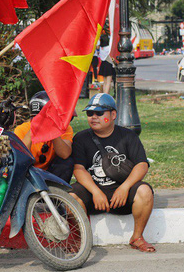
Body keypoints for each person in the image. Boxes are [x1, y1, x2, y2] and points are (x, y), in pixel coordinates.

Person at [70, 93, 155, 252]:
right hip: (93, 196)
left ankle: (137, 237)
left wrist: (124, 188)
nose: (93, 117)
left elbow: (142, 164)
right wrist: (95, 192)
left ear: (113, 114)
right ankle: (79, 239)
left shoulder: (128, 136)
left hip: (121, 196)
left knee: (144, 191)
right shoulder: (81, 138)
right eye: (90, 113)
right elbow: (79, 169)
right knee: (71, 196)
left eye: (99, 113)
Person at [14, 91, 75, 183]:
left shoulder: (64, 129)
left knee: (67, 162)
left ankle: (55, 193)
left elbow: (65, 154)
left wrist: (52, 130)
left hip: (50, 173)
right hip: (28, 174)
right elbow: (20, 157)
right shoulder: (22, 129)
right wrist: (35, 128)